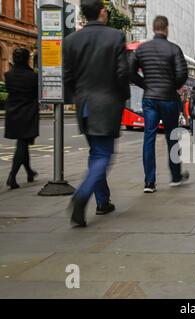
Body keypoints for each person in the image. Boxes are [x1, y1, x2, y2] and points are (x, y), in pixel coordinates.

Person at [64, 0, 130, 227]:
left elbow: (67, 77)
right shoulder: (115, 36)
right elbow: (122, 73)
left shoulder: (70, 40)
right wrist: (122, 97)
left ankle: (103, 201)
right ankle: (82, 196)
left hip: (83, 104)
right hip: (107, 103)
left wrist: (79, 96)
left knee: (96, 153)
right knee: (103, 155)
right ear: (102, 12)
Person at [130, 15, 190, 194]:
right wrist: (172, 87)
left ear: (153, 27)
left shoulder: (141, 49)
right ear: (167, 28)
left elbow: (130, 72)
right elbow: (182, 74)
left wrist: (145, 84)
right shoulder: (173, 49)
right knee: (172, 137)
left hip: (149, 99)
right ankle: (175, 176)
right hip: (169, 99)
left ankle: (149, 182)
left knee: (149, 138)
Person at [4, 48, 39, 190]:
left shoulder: (8, 75)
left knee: (22, 143)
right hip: (28, 112)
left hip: (12, 111)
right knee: (22, 144)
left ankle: (29, 172)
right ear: (26, 59)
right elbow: (36, 95)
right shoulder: (32, 76)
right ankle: (12, 176)